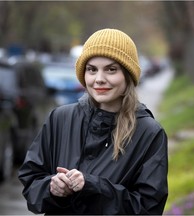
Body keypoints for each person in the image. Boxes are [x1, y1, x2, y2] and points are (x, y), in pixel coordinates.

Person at [18, 28, 168, 215]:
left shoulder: (149, 133)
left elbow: (148, 208)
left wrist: (93, 187)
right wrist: (52, 188)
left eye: (111, 70)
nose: (99, 79)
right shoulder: (60, 118)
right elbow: (31, 182)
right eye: (92, 69)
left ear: (128, 75)